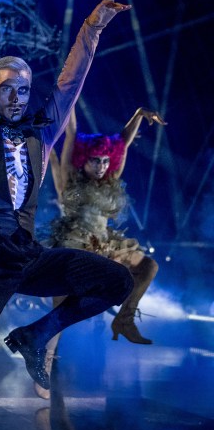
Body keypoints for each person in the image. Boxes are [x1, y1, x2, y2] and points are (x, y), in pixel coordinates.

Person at [0, 0, 135, 430]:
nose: (17, 97)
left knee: (118, 282)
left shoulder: (42, 130)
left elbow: (69, 84)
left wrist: (93, 28)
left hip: (24, 252)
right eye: (7, 88)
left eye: (23, 89)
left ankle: (35, 336)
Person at [31, 108, 165, 397]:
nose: (103, 166)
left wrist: (139, 114)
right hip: (74, 245)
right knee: (60, 316)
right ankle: (43, 366)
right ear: (84, 160)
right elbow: (71, 130)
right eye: (96, 161)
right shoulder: (70, 175)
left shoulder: (110, 178)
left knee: (148, 266)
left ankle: (125, 319)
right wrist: (72, 94)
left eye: (106, 160)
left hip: (105, 245)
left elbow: (124, 143)